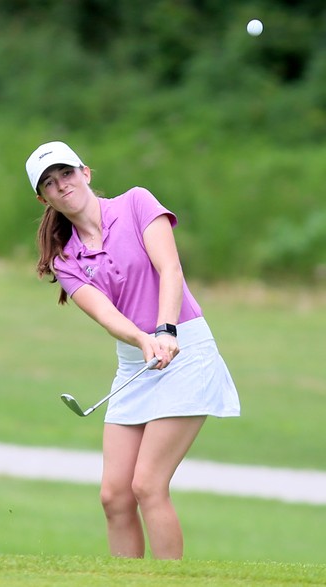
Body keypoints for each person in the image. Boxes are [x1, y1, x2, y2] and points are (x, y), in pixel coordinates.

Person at [25, 140, 240, 560]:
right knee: (114, 497)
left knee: (147, 486)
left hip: (185, 349)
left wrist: (164, 329)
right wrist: (144, 340)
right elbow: (105, 314)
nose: (61, 185)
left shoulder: (136, 202)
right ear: (42, 197)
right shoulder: (66, 258)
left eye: (66, 173)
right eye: (49, 183)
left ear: (85, 172)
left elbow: (169, 268)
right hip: (137, 361)